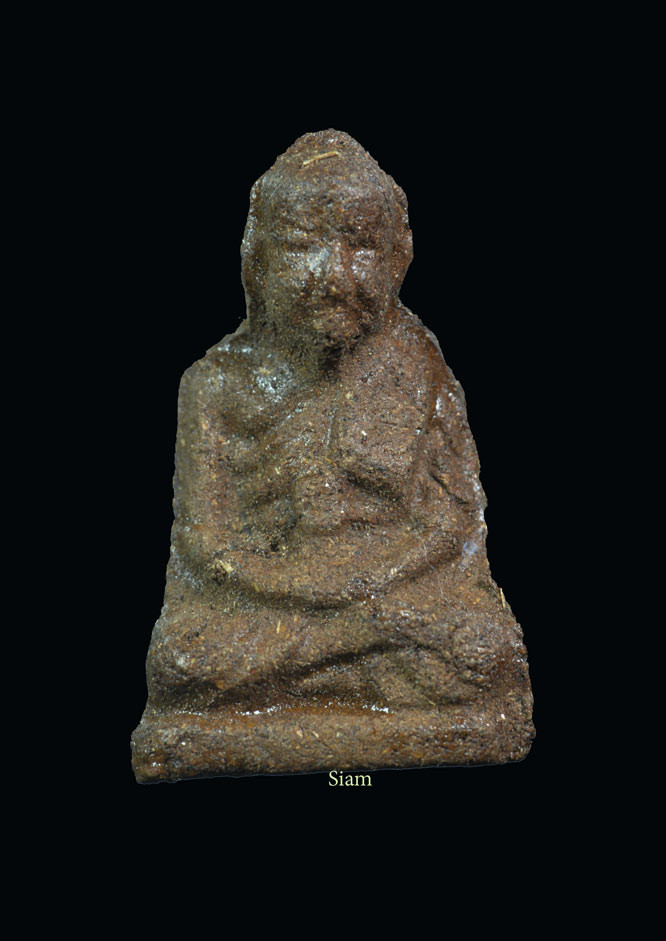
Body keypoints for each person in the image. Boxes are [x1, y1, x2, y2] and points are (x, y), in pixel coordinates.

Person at [133, 131, 533, 780]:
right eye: (301, 246)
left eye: (362, 246)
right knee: (183, 662)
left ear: (398, 259)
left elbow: (454, 524)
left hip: (391, 591)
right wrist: (306, 592)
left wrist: (366, 582)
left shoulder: (418, 369)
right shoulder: (215, 385)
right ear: (257, 262)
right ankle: (372, 682)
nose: (333, 276)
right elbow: (204, 542)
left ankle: (265, 715)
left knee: (485, 651)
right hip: (275, 598)